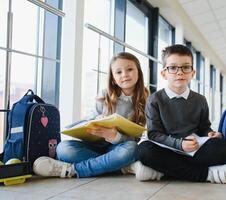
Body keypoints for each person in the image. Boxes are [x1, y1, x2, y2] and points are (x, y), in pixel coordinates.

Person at [33, 52, 162, 180]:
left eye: (129, 69)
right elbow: (89, 119)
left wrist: (116, 137)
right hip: (95, 146)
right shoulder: (104, 94)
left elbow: (139, 138)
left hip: (120, 147)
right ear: (113, 78)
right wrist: (95, 121)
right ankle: (123, 167)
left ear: (138, 72)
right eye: (118, 72)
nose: (125, 75)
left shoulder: (148, 100)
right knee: (63, 149)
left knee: (132, 149)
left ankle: (72, 170)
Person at [137, 44, 226, 183]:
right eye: (173, 67)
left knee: (221, 148)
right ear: (164, 73)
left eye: (185, 67)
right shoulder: (154, 99)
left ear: (192, 73)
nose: (179, 72)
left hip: (193, 146)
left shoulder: (200, 100)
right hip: (165, 146)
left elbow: (204, 127)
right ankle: (207, 174)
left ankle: (163, 171)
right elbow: (154, 134)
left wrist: (210, 133)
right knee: (144, 152)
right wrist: (179, 144)